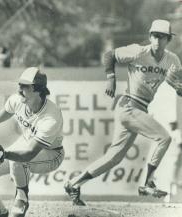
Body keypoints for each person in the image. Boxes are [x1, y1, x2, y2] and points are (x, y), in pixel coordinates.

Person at [64, 19, 182, 205]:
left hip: (139, 107)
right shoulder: (139, 51)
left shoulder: (172, 60)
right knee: (164, 138)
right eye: (155, 36)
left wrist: (179, 87)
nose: (158, 40)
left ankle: (74, 183)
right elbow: (109, 55)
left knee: (114, 158)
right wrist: (111, 78)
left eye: (163, 37)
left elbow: (178, 85)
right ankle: (149, 181)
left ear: (169, 40)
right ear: (150, 36)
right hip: (129, 105)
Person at [0, 67, 64, 217]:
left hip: (51, 154)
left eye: (25, 86)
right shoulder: (18, 99)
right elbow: (7, 112)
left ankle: (22, 197)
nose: (19, 88)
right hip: (25, 145)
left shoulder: (50, 117)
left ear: (37, 89)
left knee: (17, 160)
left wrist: (4, 154)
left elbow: (28, 154)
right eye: (19, 84)